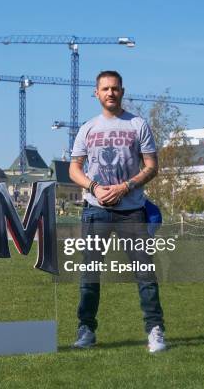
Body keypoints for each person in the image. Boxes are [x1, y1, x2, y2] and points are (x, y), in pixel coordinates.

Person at [68, 70, 166, 353]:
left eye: (115, 88)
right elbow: (75, 168)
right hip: (95, 210)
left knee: (144, 272)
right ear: (96, 94)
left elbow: (151, 166)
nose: (110, 93)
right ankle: (86, 329)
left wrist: (126, 186)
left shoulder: (138, 125)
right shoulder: (87, 128)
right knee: (90, 273)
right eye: (105, 89)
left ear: (122, 91)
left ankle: (155, 330)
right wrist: (95, 187)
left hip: (131, 210)